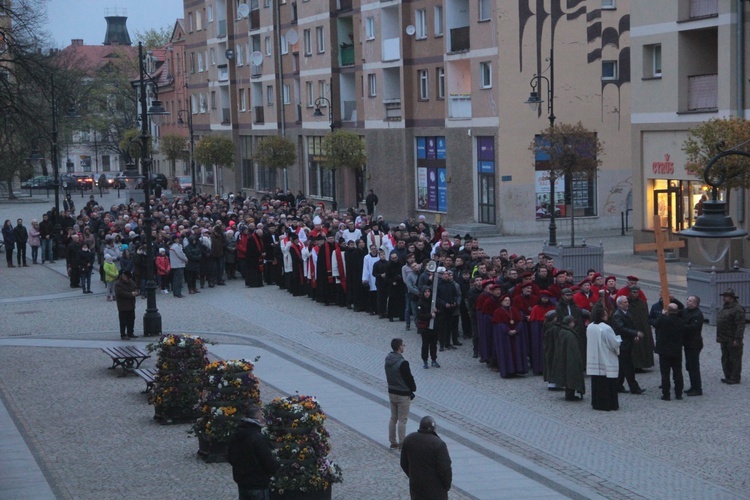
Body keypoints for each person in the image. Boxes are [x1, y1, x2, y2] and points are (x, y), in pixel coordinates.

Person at [227, 405, 279, 500]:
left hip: (242, 481)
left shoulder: (236, 434)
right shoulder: (258, 437)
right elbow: (268, 461)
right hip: (258, 483)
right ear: (258, 418)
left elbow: (230, 457)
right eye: (261, 415)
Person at [400, 416, 452, 500]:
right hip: (436, 489)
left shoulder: (409, 439)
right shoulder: (438, 444)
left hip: (416, 486)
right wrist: (447, 485)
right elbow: (445, 468)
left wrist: (413, 476)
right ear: (434, 428)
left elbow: (403, 463)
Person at [586, 306, 620, 411]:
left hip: (594, 359)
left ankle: (596, 403)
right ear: (603, 316)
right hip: (605, 359)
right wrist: (618, 342)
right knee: (607, 384)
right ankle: (608, 404)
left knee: (597, 383)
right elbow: (613, 343)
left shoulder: (590, 326)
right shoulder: (606, 328)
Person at [385, 338, 416, 450]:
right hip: (402, 394)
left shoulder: (388, 360)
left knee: (393, 418)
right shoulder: (403, 363)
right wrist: (413, 388)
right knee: (402, 420)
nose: (404, 347)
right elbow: (408, 378)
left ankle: (393, 441)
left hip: (391, 392)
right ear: (399, 347)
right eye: (403, 345)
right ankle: (402, 443)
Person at [611, 296, 646, 395]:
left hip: (627, 342)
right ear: (619, 304)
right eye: (625, 302)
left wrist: (634, 334)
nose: (627, 304)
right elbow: (621, 328)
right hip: (623, 344)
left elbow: (631, 326)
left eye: (627, 302)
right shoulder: (617, 315)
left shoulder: (626, 314)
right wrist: (635, 333)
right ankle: (634, 388)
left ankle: (618, 385)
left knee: (622, 367)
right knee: (628, 367)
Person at [653, 303, 685, 401]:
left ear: (668, 311)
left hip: (664, 350)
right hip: (676, 350)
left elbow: (655, 324)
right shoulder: (681, 321)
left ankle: (666, 394)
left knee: (665, 373)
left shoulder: (663, 319)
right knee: (678, 373)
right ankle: (678, 393)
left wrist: (662, 314)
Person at [550, 315, 585, 401]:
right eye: (572, 322)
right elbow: (573, 350)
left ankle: (569, 393)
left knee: (567, 376)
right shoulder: (570, 335)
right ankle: (570, 394)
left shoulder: (562, 332)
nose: (574, 324)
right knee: (571, 376)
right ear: (569, 323)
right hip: (570, 360)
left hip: (564, 359)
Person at [716, 288, 745, 385]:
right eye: (723, 296)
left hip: (732, 338)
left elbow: (740, 325)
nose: (724, 298)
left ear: (731, 297)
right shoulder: (725, 307)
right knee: (725, 358)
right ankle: (728, 375)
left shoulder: (738, 309)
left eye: (726, 296)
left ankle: (735, 377)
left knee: (735, 358)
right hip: (724, 338)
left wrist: (737, 339)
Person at [683, 295, 704, 396]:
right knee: (689, 366)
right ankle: (693, 386)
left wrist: (680, 326)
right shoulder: (687, 311)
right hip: (688, 343)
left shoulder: (697, 314)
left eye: (690, 301)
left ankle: (697, 388)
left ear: (695, 304)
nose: (687, 302)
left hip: (694, 344)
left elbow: (692, 328)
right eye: (687, 300)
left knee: (694, 366)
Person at [416, 286, 439, 369]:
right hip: (424, 327)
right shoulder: (420, 303)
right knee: (425, 345)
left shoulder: (433, 302)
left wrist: (437, 311)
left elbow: (438, 313)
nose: (427, 293)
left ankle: (434, 359)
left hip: (434, 327)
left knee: (434, 344)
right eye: (425, 292)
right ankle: (425, 360)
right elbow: (419, 315)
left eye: (428, 291)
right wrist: (430, 316)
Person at [114, 270, 139, 339]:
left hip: (131, 304)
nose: (128, 279)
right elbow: (120, 293)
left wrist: (136, 292)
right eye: (127, 278)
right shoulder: (118, 284)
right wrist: (131, 294)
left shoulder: (131, 281)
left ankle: (130, 332)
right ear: (123, 276)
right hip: (123, 306)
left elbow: (136, 287)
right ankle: (123, 334)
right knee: (123, 321)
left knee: (131, 319)